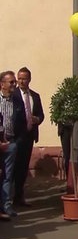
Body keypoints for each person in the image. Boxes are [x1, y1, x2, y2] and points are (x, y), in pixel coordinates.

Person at [13, 67, 44, 206]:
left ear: (29, 79)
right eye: (19, 78)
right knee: (12, 167)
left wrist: (37, 119)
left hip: (28, 136)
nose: (21, 81)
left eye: (24, 79)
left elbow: (41, 114)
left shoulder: (34, 96)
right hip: (15, 136)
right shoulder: (12, 95)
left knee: (23, 167)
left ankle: (19, 196)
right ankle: (7, 198)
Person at [0, 71, 26, 217]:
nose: (14, 85)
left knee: (8, 175)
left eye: (14, 82)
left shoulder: (17, 101)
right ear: (2, 84)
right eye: (11, 82)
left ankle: (6, 205)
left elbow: (22, 123)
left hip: (11, 143)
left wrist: (16, 141)